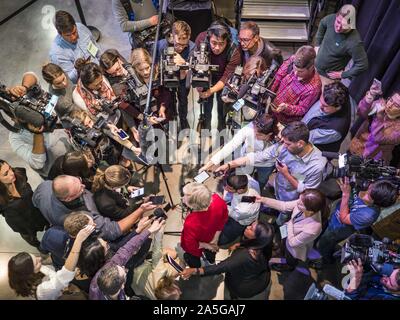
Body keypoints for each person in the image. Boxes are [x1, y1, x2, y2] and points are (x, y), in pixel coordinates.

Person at [216, 122, 327, 225]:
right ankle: (272, 208)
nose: (284, 146)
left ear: (300, 144)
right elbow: (259, 156)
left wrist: (287, 174)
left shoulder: (317, 166)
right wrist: (230, 165)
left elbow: (307, 192)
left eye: (288, 144)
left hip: (290, 197)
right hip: (278, 186)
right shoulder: (285, 146)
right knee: (274, 202)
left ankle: (278, 224)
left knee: (283, 214)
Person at [32, 175, 157, 241]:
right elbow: (113, 230)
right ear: (68, 199)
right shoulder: (84, 217)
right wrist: (141, 209)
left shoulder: (44, 187)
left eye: (80, 181)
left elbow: (35, 203)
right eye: (80, 189)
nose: (83, 186)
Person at [180, 221, 274, 300]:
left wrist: (194, 270)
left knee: (231, 284)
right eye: (251, 224)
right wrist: (239, 244)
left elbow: (219, 268)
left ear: (256, 237)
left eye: (251, 229)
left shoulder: (242, 257)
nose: (248, 227)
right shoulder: (265, 245)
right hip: (258, 275)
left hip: (242, 287)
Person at [317, 178, 398, 264]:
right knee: (321, 232)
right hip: (333, 216)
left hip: (337, 229)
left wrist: (346, 194)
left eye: (370, 195)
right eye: (371, 187)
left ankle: (325, 260)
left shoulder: (368, 215)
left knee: (325, 244)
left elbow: (343, 218)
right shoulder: (366, 185)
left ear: (377, 202)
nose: (366, 192)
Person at [8, 225, 94, 300]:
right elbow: (64, 275)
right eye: (36, 263)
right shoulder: (43, 291)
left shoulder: (32, 273)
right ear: (30, 273)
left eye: (35, 257)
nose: (39, 259)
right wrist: (78, 241)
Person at [89, 217, 165, 300]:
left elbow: (127, 249)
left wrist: (149, 230)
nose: (123, 266)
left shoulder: (101, 278)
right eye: (124, 271)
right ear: (122, 285)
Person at [200, 112, 278, 189]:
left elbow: (261, 156)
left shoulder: (277, 142)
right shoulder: (250, 128)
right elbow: (231, 145)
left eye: (259, 135)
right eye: (254, 131)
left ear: (270, 134)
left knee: (261, 181)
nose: (255, 136)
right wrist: (210, 164)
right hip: (245, 159)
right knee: (244, 178)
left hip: (266, 164)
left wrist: (230, 164)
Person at [257, 189, 326, 272]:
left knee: (290, 258)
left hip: (294, 248)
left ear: (310, 211)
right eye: (299, 198)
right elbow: (284, 206)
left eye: (301, 203)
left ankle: (289, 266)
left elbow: (293, 243)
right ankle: (281, 251)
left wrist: (289, 225)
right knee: (282, 244)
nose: (297, 202)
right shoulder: (304, 202)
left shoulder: (313, 228)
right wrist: (263, 199)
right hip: (287, 233)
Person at [194, 21, 241, 131]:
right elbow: (194, 65)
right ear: (208, 38)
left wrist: (211, 91)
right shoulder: (201, 39)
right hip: (206, 74)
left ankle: (221, 129)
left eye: (221, 43)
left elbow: (226, 77)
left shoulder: (234, 50)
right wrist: (199, 86)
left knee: (222, 108)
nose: (217, 47)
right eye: (214, 43)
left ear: (227, 41)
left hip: (223, 78)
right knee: (206, 107)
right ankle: (206, 129)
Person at [0, 160, 49, 250]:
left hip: (35, 210)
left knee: (45, 223)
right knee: (30, 237)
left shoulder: (19, 174)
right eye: (6, 174)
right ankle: (41, 248)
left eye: (10, 168)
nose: (12, 173)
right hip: (20, 222)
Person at [315, 4, 368, 85]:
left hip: (327, 79)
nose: (339, 27)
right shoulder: (331, 19)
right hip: (314, 68)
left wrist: (343, 74)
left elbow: (362, 65)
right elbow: (322, 23)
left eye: (344, 26)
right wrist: (317, 45)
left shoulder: (354, 42)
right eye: (338, 22)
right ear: (336, 16)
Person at [157, 20, 195, 130]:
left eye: (184, 44)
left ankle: (183, 120)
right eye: (178, 44)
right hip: (168, 79)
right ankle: (172, 118)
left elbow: (194, 68)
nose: (181, 48)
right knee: (170, 100)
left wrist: (184, 63)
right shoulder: (161, 45)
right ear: (172, 36)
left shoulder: (192, 47)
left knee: (183, 100)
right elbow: (155, 65)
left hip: (183, 79)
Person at [350, 82, 400, 165]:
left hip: (374, 158)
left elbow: (377, 138)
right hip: (358, 145)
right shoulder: (381, 103)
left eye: (396, 105)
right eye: (391, 100)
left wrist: (379, 118)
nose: (390, 105)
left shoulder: (398, 129)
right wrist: (370, 96)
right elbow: (361, 112)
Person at [270, 45, 322, 125]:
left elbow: (302, 109)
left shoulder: (314, 87)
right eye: (294, 69)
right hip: (273, 103)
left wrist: (286, 108)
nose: (296, 73)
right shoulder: (293, 59)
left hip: (285, 119)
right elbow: (279, 75)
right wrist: (271, 93)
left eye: (301, 72)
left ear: (311, 68)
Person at [180, 182, 228, 267]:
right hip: (211, 238)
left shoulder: (190, 222)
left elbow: (191, 245)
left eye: (185, 196)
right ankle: (211, 262)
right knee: (211, 253)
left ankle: (196, 269)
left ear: (193, 205)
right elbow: (224, 218)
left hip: (200, 245)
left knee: (193, 258)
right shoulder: (217, 200)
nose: (182, 198)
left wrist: (206, 245)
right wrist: (214, 240)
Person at [131, 224, 184, 300]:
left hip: (139, 267)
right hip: (135, 285)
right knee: (181, 267)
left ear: (168, 288)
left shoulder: (159, 273)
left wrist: (160, 231)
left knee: (173, 254)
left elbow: (157, 253)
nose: (181, 292)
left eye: (178, 291)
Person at [49, 11, 101, 84]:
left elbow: (95, 46)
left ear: (75, 25)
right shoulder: (57, 54)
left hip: (99, 69)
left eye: (74, 32)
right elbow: (71, 80)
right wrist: (77, 68)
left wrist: (102, 63)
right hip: (87, 83)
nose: (73, 37)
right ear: (60, 34)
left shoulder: (81, 27)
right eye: (68, 35)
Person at [302, 81, 351, 152]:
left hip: (316, 149)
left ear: (338, 107)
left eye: (325, 106)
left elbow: (306, 138)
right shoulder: (337, 96)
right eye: (320, 101)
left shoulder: (334, 130)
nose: (320, 106)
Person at [218, 174, 260, 247]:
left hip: (239, 221)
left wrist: (221, 204)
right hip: (238, 211)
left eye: (229, 188)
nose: (226, 189)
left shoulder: (244, 208)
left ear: (240, 190)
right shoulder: (246, 180)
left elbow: (234, 215)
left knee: (222, 239)